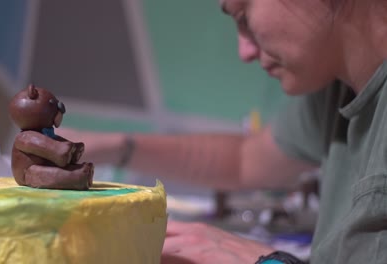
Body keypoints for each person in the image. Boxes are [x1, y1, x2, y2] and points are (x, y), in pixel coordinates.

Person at [57, 0, 387, 262]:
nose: (244, 52)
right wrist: (112, 146)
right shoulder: (336, 87)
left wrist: (269, 262)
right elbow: (245, 159)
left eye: (243, 15)